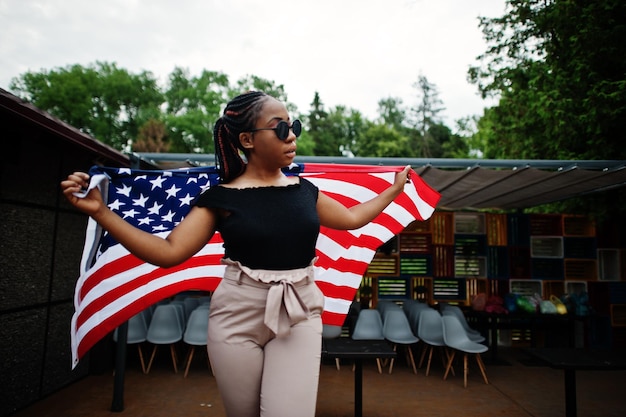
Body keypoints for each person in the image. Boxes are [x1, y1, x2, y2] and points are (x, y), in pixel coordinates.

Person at [61, 91, 411, 417]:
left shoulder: (304, 190)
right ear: (247, 140)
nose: (292, 136)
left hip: (299, 311)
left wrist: (393, 191)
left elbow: (351, 219)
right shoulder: (221, 198)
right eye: (282, 128)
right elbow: (169, 252)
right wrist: (101, 214)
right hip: (236, 314)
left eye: (294, 127)